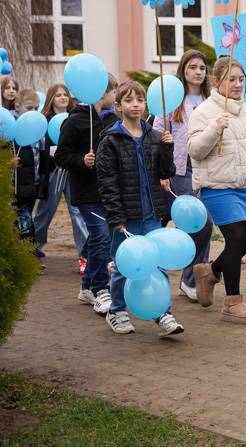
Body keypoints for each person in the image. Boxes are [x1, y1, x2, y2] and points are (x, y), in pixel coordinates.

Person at [96, 80, 183, 336]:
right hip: (126, 217)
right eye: (129, 100)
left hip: (152, 215)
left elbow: (167, 172)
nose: (135, 105)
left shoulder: (155, 137)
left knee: (158, 265)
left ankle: (164, 314)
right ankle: (117, 311)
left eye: (140, 100)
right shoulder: (110, 141)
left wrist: (167, 147)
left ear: (146, 104)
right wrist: (116, 217)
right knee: (125, 266)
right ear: (118, 105)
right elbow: (107, 184)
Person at [189, 56, 246, 324]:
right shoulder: (203, 112)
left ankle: (209, 272)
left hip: (241, 186)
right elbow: (195, 151)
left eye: (241, 80)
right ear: (216, 82)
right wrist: (214, 127)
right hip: (216, 186)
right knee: (235, 240)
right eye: (231, 79)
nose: (237, 85)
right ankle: (232, 303)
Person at [153, 49, 214, 303]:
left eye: (201, 68)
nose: (198, 72)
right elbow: (156, 134)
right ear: (183, 70)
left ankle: (192, 279)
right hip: (179, 169)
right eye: (192, 67)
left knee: (204, 224)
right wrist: (161, 171)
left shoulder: (212, 100)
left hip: (206, 169)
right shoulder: (172, 100)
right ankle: (173, 277)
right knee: (196, 222)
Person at [55, 74, 118, 313]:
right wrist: (82, 160)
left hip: (108, 191)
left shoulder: (112, 119)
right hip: (85, 192)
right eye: (114, 92)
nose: (115, 96)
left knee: (100, 239)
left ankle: (86, 286)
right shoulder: (75, 122)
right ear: (101, 93)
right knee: (100, 236)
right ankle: (101, 289)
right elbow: (61, 155)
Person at [33, 83, 89, 267]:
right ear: (51, 99)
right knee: (44, 212)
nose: (63, 97)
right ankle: (35, 248)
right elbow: (39, 149)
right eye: (58, 95)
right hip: (53, 171)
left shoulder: (75, 118)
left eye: (65, 94)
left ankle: (85, 255)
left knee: (77, 213)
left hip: (72, 171)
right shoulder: (44, 120)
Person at [12, 90, 50, 252]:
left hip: (32, 183)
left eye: (36, 108)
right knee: (21, 219)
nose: (33, 113)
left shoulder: (38, 129)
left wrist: (42, 180)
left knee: (26, 218)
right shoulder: (10, 127)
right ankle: (25, 253)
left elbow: (42, 157)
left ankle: (27, 253)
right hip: (16, 184)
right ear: (17, 106)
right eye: (29, 108)